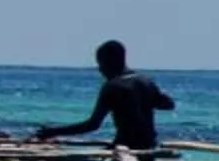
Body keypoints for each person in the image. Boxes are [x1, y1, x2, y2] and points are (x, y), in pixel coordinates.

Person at [34, 40, 175, 150]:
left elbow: (92, 125)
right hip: (149, 147)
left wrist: (52, 131)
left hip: (125, 148)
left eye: (101, 63)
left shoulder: (113, 86)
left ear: (111, 61)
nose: (100, 69)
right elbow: (169, 104)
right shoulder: (146, 81)